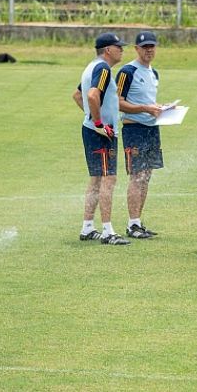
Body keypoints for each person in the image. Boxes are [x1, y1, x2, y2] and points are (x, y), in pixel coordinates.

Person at [73, 33, 130, 246]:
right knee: (108, 179)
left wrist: (90, 118)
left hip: (91, 131)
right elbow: (91, 96)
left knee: (96, 179)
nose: (122, 50)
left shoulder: (91, 67)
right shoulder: (104, 69)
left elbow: (77, 95)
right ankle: (108, 231)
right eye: (118, 47)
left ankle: (87, 227)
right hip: (102, 134)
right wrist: (99, 124)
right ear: (108, 50)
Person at [116, 31, 164, 239]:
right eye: (145, 47)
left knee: (147, 176)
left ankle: (137, 222)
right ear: (136, 49)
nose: (149, 50)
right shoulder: (127, 71)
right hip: (134, 130)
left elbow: (148, 102)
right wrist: (145, 108)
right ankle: (132, 224)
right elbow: (118, 102)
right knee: (137, 176)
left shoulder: (154, 73)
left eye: (152, 47)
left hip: (152, 129)